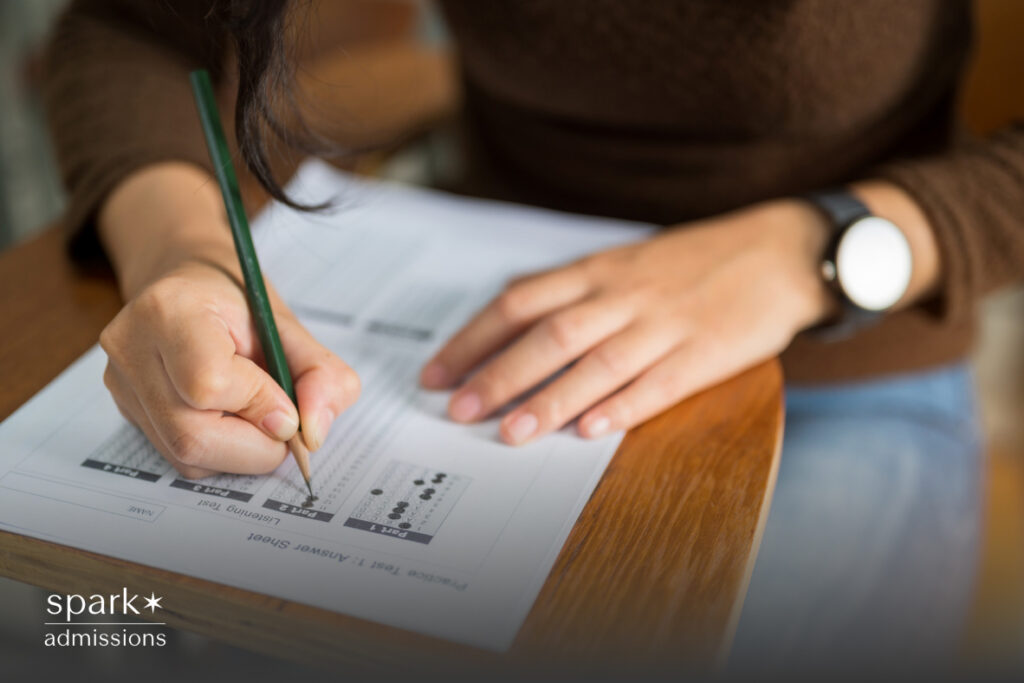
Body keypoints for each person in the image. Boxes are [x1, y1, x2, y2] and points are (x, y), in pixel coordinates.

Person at [42, 0, 1019, 671]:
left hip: (846, 349)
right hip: (474, 315)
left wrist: (819, 248)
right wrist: (184, 252)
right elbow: (137, 26)